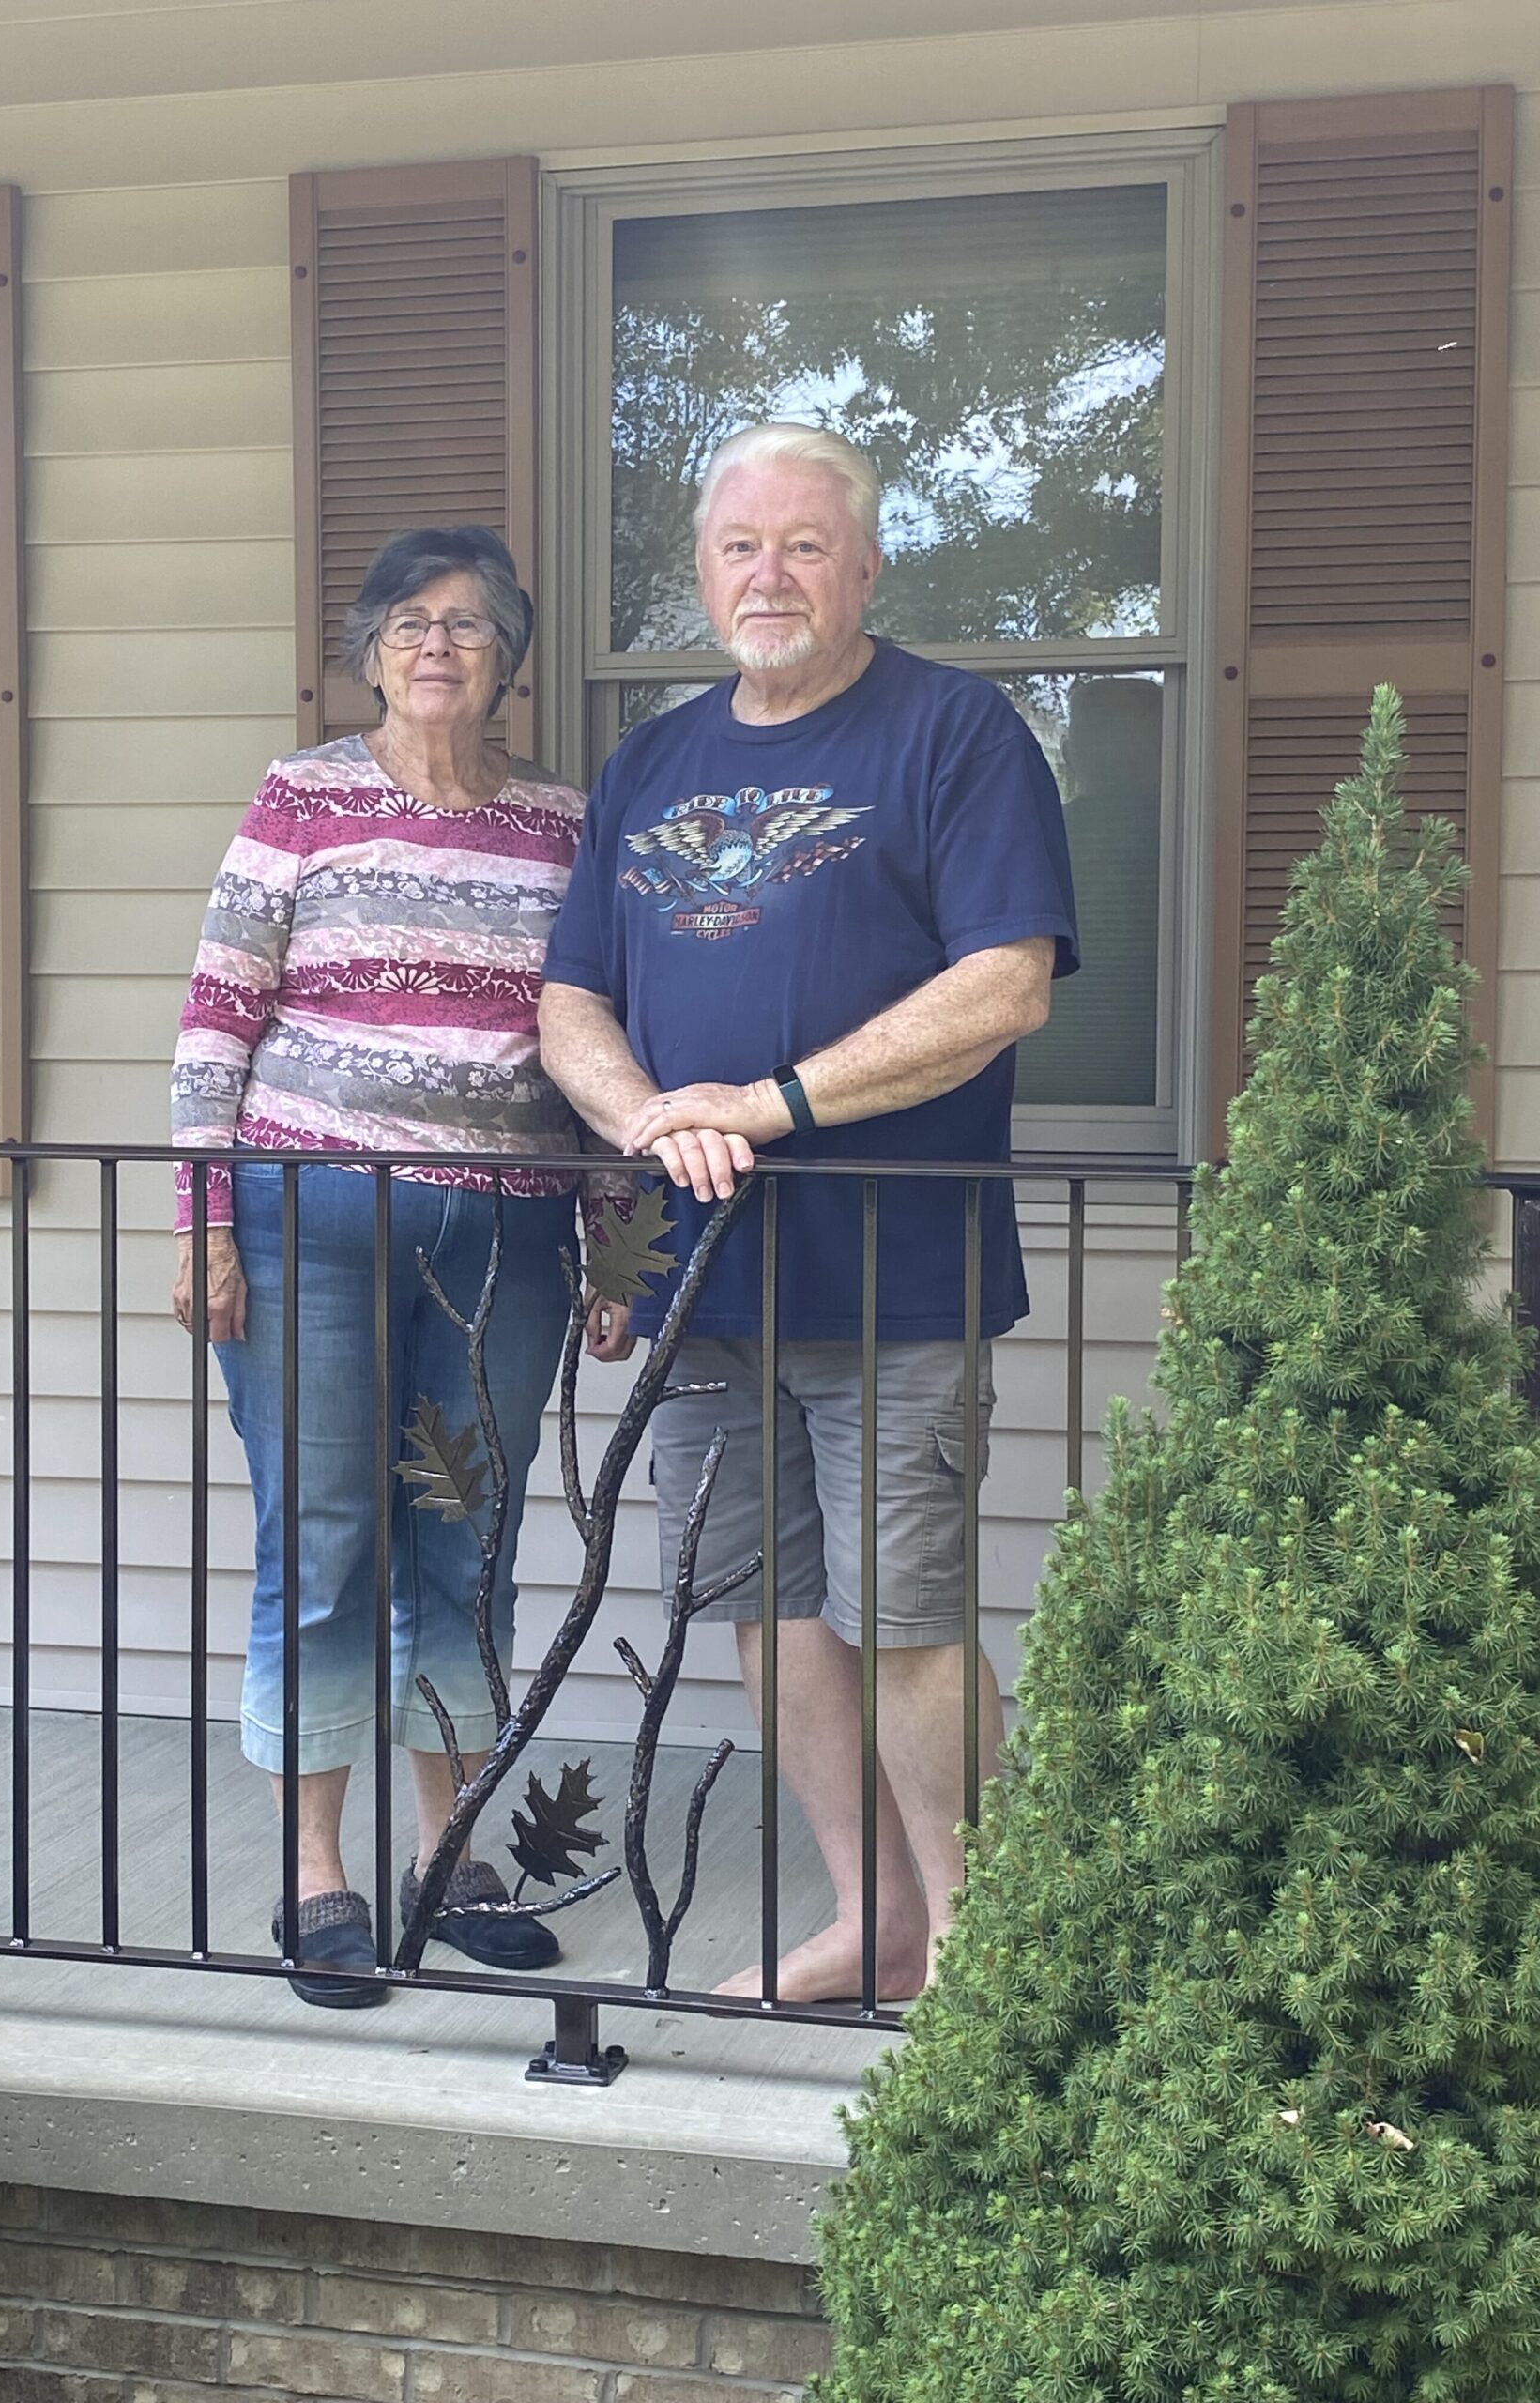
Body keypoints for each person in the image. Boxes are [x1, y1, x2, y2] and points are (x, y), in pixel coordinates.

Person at [540, 424, 1079, 2004]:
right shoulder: (652, 763)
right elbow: (573, 999)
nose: (765, 574)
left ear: (865, 563)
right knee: (765, 1615)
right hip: (706, 1281)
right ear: (701, 568)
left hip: (894, 1276)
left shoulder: (954, 735)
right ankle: (878, 1923)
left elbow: (1005, 984)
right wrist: (645, 1119)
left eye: (801, 543)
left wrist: (770, 1105)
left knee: (902, 1612)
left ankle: (984, 1954)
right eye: (735, 546)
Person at [171, 525, 587, 2008]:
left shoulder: (561, 823)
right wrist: (203, 1222)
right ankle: (316, 1874)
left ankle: (453, 1854)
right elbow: (219, 1017)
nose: (437, 646)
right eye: (410, 621)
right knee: (326, 1537)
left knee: (463, 1545)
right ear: (370, 648)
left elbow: (597, 1041)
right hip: (309, 1216)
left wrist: (609, 1245)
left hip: (512, 1232)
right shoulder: (304, 798)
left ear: (508, 660)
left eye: (469, 625)